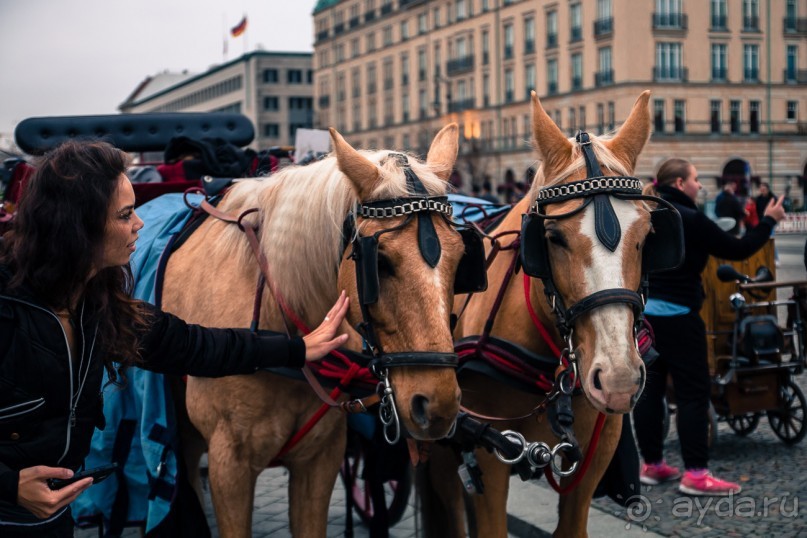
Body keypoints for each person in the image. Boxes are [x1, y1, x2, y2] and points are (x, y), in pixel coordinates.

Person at [0, 140, 350, 536]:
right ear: (77, 225)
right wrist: (9, 487)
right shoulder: (8, 306)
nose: (140, 225)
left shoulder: (96, 305)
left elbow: (193, 346)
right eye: (125, 215)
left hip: (51, 517)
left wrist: (298, 348)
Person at [633, 157, 785, 496]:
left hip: (646, 320)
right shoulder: (690, 218)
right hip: (681, 319)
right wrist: (769, 222)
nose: (700, 185)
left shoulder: (644, 213)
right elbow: (739, 248)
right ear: (678, 184)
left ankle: (652, 465)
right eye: (696, 179)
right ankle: (697, 475)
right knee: (692, 395)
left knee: (651, 392)